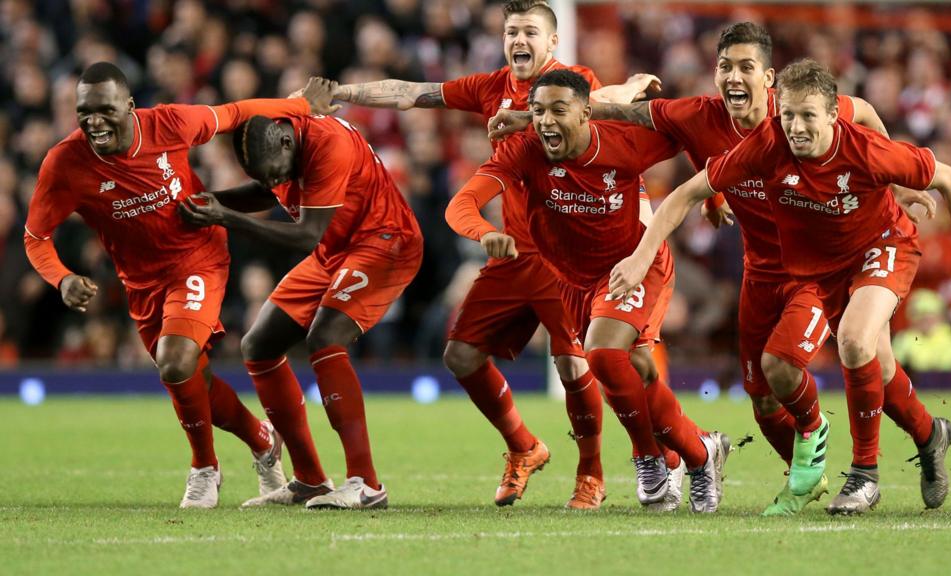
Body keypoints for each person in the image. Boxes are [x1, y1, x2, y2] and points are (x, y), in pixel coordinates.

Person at [491, 22, 935, 515]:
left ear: (769, 79)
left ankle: (842, 462)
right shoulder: (700, 118)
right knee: (770, 402)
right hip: (761, 269)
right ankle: (888, 450)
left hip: (821, 264)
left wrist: (894, 178)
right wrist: (532, 119)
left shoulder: (798, 113)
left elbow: (866, 113)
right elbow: (630, 116)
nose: (733, 76)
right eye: (725, 67)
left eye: (746, 67)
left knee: (797, 363)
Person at [610, 58, 951, 515]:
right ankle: (931, 434)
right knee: (880, 369)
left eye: (808, 115)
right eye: (789, 114)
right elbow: (684, 195)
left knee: (854, 342)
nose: (796, 125)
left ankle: (864, 475)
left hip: (883, 246)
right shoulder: (769, 145)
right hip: (823, 269)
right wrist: (640, 256)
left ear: (833, 115)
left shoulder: (867, 151)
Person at [330, 0, 666, 510]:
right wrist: (341, 92)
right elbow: (410, 94)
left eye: (531, 31)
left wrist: (633, 89)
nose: (519, 40)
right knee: (460, 354)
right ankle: (523, 446)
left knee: (573, 366)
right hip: (511, 250)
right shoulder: (489, 87)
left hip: (563, 254)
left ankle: (592, 474)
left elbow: (604, 103)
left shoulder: (568, 84)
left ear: (552, 42)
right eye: (512, 31)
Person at [23, 62, 339, 508]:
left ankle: (204, 468)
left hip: (198, 256)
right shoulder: (65, 163)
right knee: (193, 377)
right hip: (141, 282)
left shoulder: (169, 123)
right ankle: (261, 438)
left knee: (175, 363)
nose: (93, 121)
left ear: (129, 106)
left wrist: (301, 105)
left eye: (104, 110)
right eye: (83, 112)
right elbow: (36, 237)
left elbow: (235, 111)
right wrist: (62, 278)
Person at [450, 68, 730, 512]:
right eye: (537, 111)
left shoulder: (623, 142)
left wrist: (712, 196)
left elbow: (691, 131)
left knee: (602, 354)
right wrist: (484, 232)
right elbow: (461, 203)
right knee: (635, 368)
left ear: (586, 113)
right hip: (571, 281)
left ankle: (648, 456)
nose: (545, 121)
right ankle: (702, 453)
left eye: (558, 111)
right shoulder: (525, 150)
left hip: (634, 266)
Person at [179, 110, 423, 510]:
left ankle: (366, 483)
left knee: (325, 336)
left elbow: (307, 234)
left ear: (287, 143)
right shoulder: (281, 147)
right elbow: (266, 192)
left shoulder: (330, 144)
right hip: (337, 250)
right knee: (258, 345)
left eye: (275, 173)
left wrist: (225, 218)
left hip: (383, 242)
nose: (275, 183)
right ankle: (310, 480)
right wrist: (209, 201)